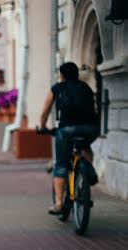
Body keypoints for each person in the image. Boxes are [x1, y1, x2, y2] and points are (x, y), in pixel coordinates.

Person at [38, 61, 99, 214]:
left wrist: (42, 126)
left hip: (67, 130)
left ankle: (58, 204)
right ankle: (87, 172)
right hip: (90, 129)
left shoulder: (57, 88)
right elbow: (94, 108)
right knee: (85, 147)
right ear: (77, 74)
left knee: (61, 165)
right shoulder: (86, 88)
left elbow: (45, 110)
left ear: (62, 75)